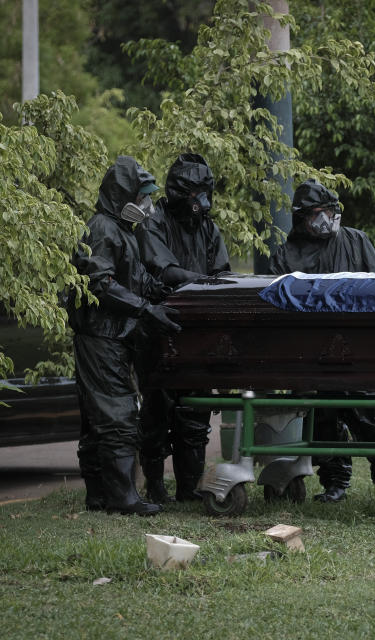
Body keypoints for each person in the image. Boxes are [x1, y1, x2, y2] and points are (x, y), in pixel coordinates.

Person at [269, 178, 375, 502]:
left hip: (358, 350)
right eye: (320, 212)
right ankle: (335, 483)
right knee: (324, 420)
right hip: (313, 354)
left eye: (332, 211)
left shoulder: (356, 241)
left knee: (373, 417)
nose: (328, 218)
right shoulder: (288, 253)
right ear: (304, 217)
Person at [69, 156, 182, 516]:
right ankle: (121, 497)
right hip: (101, 335)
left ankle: (99, 493)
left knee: (96, 415)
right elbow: (100, 284)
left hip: (112, 335)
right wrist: (145, 309)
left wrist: (168, 292)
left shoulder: (122, 231)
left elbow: (135, 279)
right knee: (116, 412)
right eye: (141, 196)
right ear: (124, 196)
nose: (147, 206)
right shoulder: (102, 229)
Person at [135, 153, 231, 503]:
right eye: (196, 195)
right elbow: (165, 271)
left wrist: (212, 286)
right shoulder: (153, 223)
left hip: (198, 331)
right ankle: (156, 486)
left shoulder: (208, 227)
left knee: (195, 413)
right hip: (160, 328)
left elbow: (222, 271)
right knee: (157, 411)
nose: (202, 202)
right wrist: (204, 282)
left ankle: (189, 488)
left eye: (206, 193)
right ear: (181, 193)